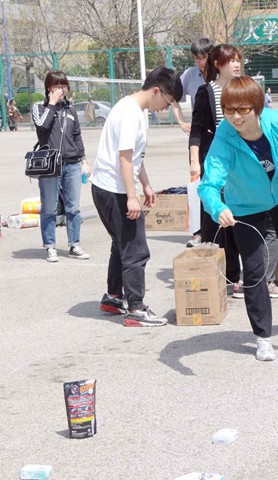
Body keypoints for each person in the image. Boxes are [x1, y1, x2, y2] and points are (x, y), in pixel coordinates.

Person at [199, 75, 278, 361]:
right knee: (254, 272)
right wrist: (217, 207)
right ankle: (262, 337)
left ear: (257, 107)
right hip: (245, 205)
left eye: (243, 109)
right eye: (229, 110)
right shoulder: (224, 137)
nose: (236, 117)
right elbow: (209, 183)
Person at [90, 66, 183, 327]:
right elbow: (125, 158)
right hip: (115, 190)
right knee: (135, 249)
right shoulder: (131, 114)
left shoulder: (131, 107)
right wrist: (132, 197)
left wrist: (146, 185)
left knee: (121, 244)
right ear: (156, 91)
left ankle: (113, 297)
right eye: (168, 102)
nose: (166, 108)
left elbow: (135, 158)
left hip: (106, 187)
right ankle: (136, 309)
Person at [188, 43, 244, 296]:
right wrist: (194, 161)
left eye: (238, 60)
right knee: (214, 218)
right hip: (215, 163)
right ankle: (211, 271)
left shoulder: (242, 88)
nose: (237, 64)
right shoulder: (207, 91)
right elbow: (197, 128)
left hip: (240, 165)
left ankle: (234, 273)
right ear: (219, 64)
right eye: (232, 60)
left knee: (237, 218)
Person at [32, 70, 90, 263]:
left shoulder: (70, 110)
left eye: (63, 85)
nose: (61, 89)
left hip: (71, 163)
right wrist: (52, 103)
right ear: (49, 88)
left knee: (73, 208)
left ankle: (74, 245)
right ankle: (50, 246)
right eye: (56, 85)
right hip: (50, 165)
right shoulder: (39, 107)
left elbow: (77, 136)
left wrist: (83, 160)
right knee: (49, 208)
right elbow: (42, 125)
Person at [172, 38, 214, 136]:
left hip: (223, 128)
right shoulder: (189, 74)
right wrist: (181, 122)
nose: (201, 62)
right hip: (200, 129)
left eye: (204, 57)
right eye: (197, 58)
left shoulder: (223, 72)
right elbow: (173, 99)